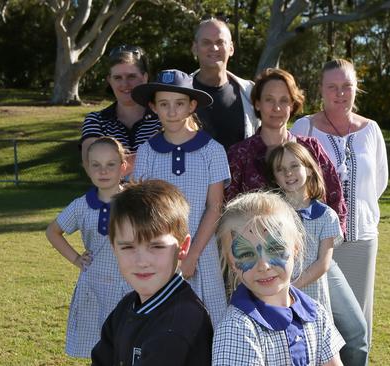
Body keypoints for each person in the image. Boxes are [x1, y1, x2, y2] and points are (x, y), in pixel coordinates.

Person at [291, 59, 388, 357]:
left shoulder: (371, 129)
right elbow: (291, 177)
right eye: (332, 87)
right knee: (321, 316)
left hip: (362, 240)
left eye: (347, 86)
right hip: (318, 241)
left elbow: (379, 182)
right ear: (321, 89)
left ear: (357, 88)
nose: (340, 93)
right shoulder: (304, 126)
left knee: (358, 320)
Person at [131, 69, 230, 326]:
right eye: (164, 104)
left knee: (207, 324)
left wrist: (192, 255)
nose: (172, 111)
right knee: (161, 326)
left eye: (179, 104)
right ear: (153, 107)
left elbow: (214, 207)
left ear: (192, 106)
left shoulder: (212, 150)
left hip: (201, 253)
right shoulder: (147, 152)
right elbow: (143, 210)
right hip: (158, 255)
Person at [212, 191, 344, 365]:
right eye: (246, 254)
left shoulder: (316, 314)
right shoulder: (236, 329)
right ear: (233, 262)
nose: (264, 266)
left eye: (274, 249)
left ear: (295, 247)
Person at [91, 179, 214, 365]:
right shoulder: (126, 306)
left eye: (156, 246)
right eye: (128, 247)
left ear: (183, 247)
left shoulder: (182, 322)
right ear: (114, 248)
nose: (142, 262)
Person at [225, 68, 347, 236]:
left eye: (284, 100)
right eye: (269, 100)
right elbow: (227, 209)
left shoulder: (311, 148)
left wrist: (330, 247)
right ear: (258, 103)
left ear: (292, 104)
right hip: (256, 255)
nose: (276, 108)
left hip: (313, 254)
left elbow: (335, 197)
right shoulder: (240, 154)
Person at [45, 137, 132, 358]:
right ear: (87, 168)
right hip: (95, 285)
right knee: (100, 348)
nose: (103, 171)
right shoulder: (81, 206)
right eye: (96, 165)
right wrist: (76, 259)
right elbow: (52, 231)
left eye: (110, 164)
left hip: (130, 284)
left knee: (129, 345)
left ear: (123, 167)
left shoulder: (134, 201)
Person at [266, 141, 343, 317]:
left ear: (308, 169)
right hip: (277, 297)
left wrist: (291, 287)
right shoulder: (270, 213)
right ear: (274, 177)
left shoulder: (326, 215)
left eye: (294, 165)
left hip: (313, 296)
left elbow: (323, 263)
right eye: (280, 169)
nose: (288, 173)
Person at [80, 45, 161, 175]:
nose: (125, 84)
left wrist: (112, 163)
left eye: (131, 77)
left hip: (157, 195)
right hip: (112, 196)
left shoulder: (163, 118)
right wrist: (154, 154)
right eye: (118, 78)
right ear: (109, 81)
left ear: (145, 78)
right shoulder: (96, 120)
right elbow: (93, 167)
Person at [191, 18, 258, 151]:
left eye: (220, 42)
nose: (214, 48)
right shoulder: (179, 92)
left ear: (231, 48)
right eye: (206, 42)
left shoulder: (250, 93)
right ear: (194, 48)